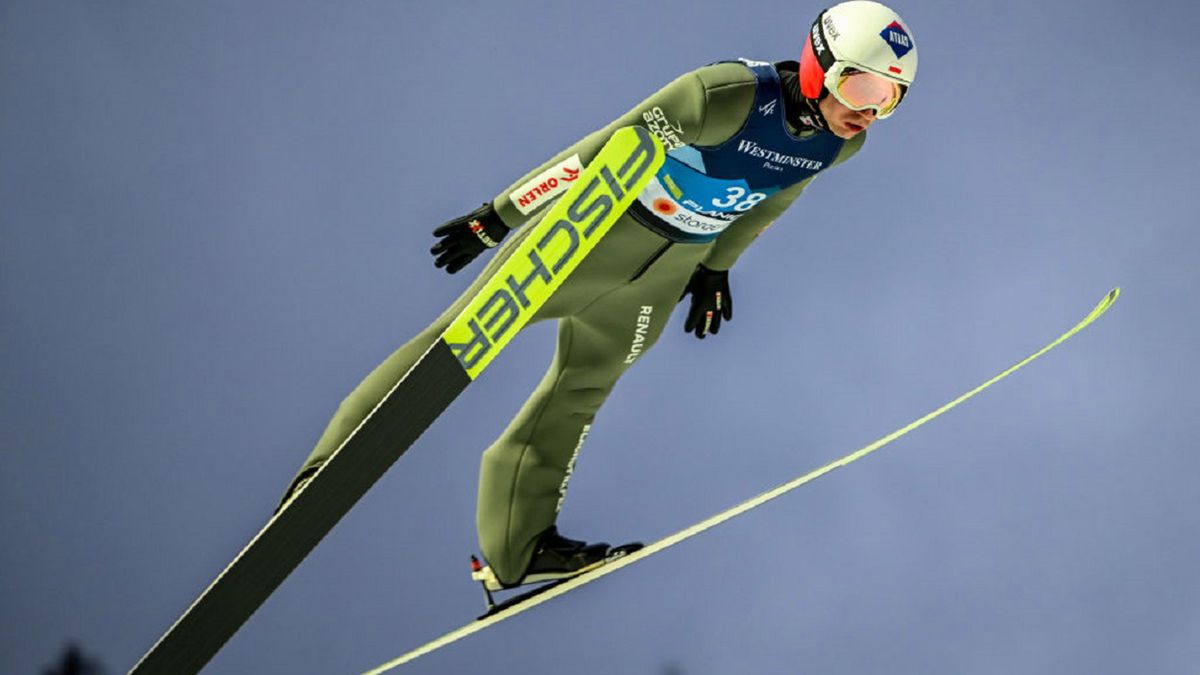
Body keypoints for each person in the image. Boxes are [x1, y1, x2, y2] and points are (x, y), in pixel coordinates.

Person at [281, 0, 919, 590]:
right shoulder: (723, 95)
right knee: (456, 340)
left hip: (666, 272)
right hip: (596, 240)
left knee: (579, 393)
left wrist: (716, 269)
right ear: (818, 65)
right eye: (862, 86)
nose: (869, 109)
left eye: (890, 98)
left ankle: (517, 549)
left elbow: (775, 197)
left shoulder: (842, 145)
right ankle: (324, 469)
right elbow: (598, 154)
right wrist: (499, 216)